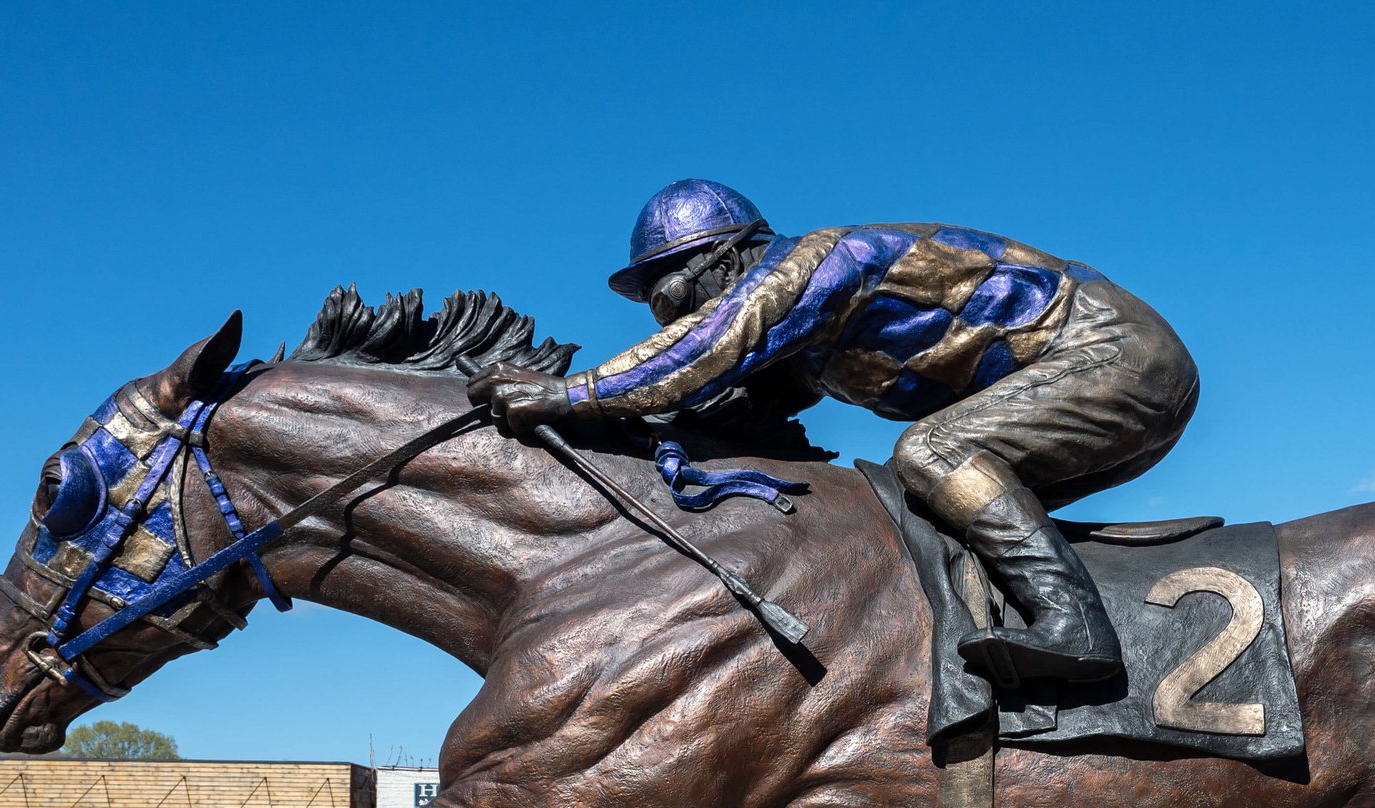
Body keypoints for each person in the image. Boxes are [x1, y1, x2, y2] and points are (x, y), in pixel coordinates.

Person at [467, 179, 1200, 684]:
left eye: (674, 295)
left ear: (726, 258)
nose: (677, 317)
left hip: (1117, 358)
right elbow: (730, 398)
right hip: (1105, 375)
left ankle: (1075, 624)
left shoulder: (818, 265)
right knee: (928, 505)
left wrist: (573, 393)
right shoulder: (811, 344)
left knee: (934, 452)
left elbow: (709, 349)